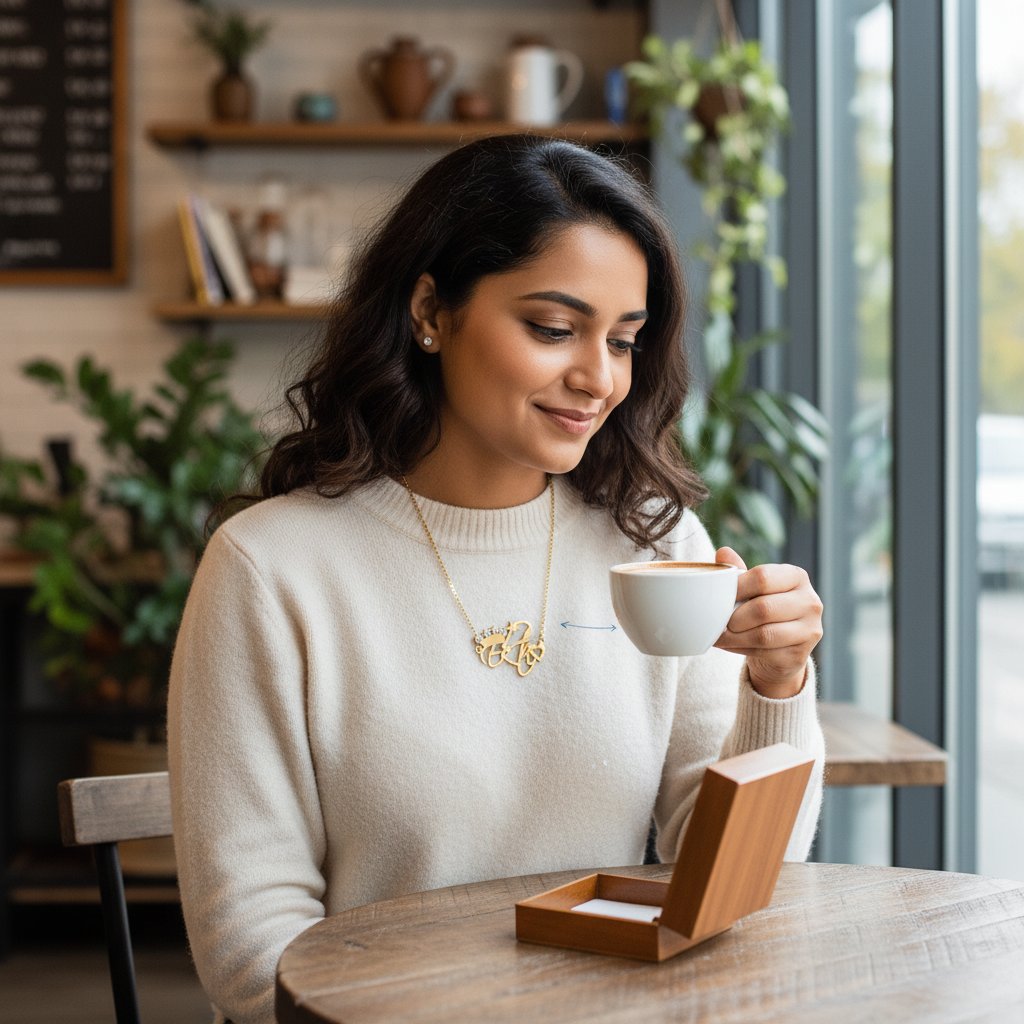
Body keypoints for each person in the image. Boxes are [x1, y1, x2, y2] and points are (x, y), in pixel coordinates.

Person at [167, 134, 825, 1024]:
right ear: (431, 312)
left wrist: (776, 687)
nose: (598, 379)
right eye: (554, 329)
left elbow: (732, 884)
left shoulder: (658, 547)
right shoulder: (271, 569)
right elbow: (255, 956)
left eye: (624, 341)